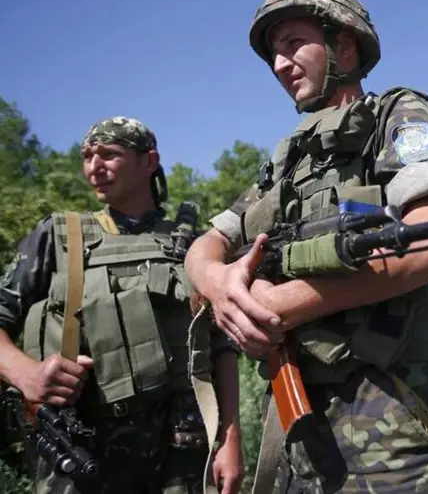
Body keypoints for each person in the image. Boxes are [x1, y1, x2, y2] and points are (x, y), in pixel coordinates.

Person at [185, 0, 428, 492]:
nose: (280, 65)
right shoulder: (287, 163)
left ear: (343, 46)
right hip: (303, 447)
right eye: (274, 53)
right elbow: (204, 245)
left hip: (397, 437)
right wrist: (220, 287)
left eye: (294, 44)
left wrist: (284, 302)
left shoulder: (395, 115)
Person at [0, 117, 245, 494]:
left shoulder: (195, 247)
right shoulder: (60, 235)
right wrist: (25, 375)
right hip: (83, 451)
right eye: (87, 156)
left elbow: (223, 345)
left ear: (149, 162)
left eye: (109, 155)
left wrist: (229, 442)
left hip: (183, 453)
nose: (94, 167)